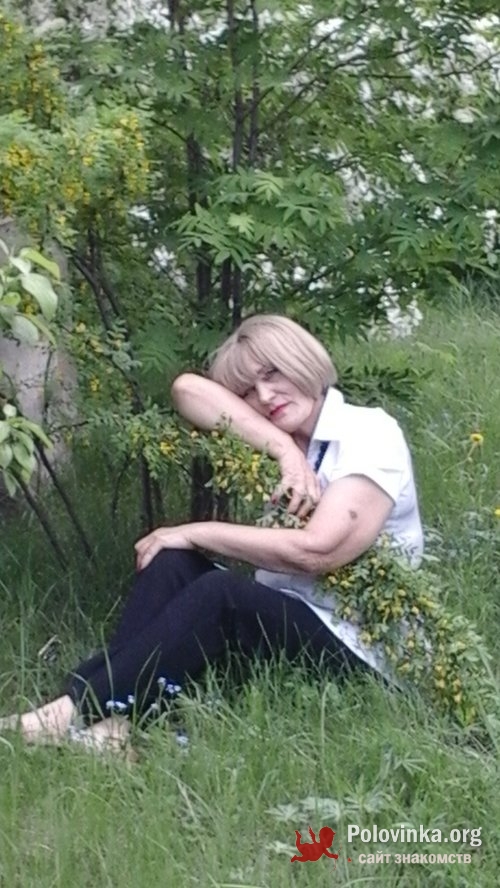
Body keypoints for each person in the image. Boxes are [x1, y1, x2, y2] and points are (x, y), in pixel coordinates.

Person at [0, 315, 423, 751]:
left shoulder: (367, 433)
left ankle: (67, 713)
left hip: (362, 649)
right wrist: (284, 451)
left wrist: (196, 532)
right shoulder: (284, 444)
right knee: (172, 563)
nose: (264, 397)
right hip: (294, 621)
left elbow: (319, 550)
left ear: (303, 361)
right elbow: (188, 390)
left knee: (221, 594)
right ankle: (115, 726)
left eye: (272, 373)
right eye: (247, 391)